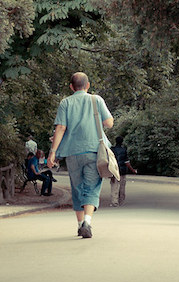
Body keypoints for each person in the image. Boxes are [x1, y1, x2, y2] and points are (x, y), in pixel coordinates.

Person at [47, 72, 113, 239]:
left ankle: (79, 224)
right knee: (91, 187)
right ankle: (87, 223)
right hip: (93, 151)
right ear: (88, 85)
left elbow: (60, 128)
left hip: (72, 153)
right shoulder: (96, 100)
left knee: (77, 188)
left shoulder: (65, 103)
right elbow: (109, 123)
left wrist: (52, 152)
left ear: (71, 87)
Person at [109, 136, 137, 207]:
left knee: (114, 186)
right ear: (122, 142)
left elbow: (109, 160)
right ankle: (121, 201)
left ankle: (114, 202)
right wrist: (133, 170)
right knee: (122, 187)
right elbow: (126, 162)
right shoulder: (124, 150)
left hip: (114, 171)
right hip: (122, 171)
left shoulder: (112, 149)